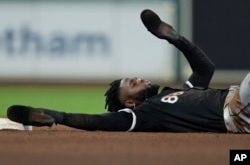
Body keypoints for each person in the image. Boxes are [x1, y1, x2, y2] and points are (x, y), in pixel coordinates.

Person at [7, 9, 250, 133]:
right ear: (130, 103)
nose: (137, 77)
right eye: (131, 83)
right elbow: (96, 121)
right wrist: (57, 116)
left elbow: (205, 69)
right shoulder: (146, 114)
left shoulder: (171, 95)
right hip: (237, 110)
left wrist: (176, 39)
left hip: (240, 102)